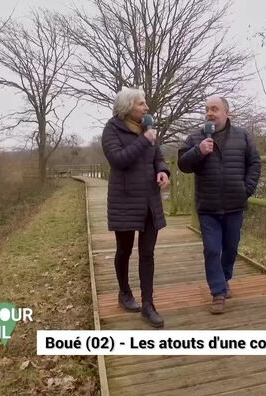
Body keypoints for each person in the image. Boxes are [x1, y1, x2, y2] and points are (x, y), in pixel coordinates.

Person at [178, 96, 261, 314]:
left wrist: (246, 189)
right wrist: (199, 151)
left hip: (235, 203)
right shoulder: (196, 137)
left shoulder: (242, 136)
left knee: (231, 248)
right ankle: (217, 293)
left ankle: (223, 280)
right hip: (208, 206)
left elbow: (254, 163)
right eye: (206, 109)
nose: (209, 113)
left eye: (214, 109)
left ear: (227, 113)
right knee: (212, 249)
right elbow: (182, 164)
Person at [101, 87, 170, 328]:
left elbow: (157, 156)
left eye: (145, 103)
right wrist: (144, 140)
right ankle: (124, 292)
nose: (146, 107)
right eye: (141, 104)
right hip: (125, 200)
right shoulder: (112, 130)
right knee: (124, 250)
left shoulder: (147, 129)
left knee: (147, 253)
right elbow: (118, 160)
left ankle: (148, 304)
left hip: (150, 200)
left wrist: (162, 170)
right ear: (128, 107)